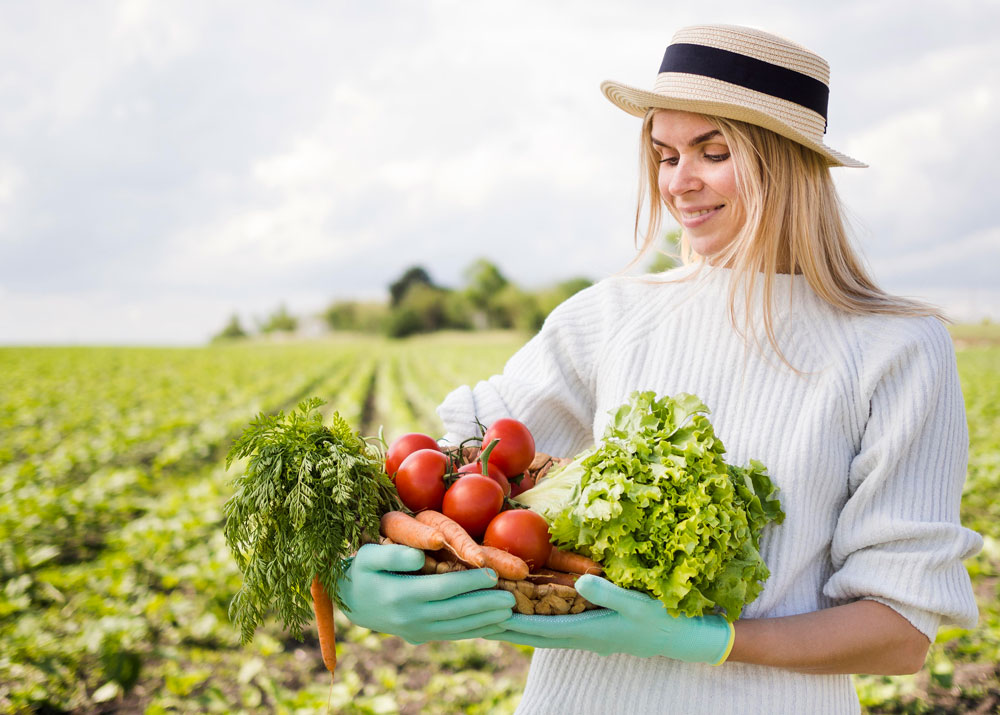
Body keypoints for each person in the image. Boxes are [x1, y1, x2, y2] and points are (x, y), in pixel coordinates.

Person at [336, 24, 983, 714]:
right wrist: (355, 571)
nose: (679, 182)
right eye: (665, 154)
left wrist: (712, 640)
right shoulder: (608, 316)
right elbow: (452, 472)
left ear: (789, 161)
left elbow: (900, 632)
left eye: (713, 150)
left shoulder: (898, 347)